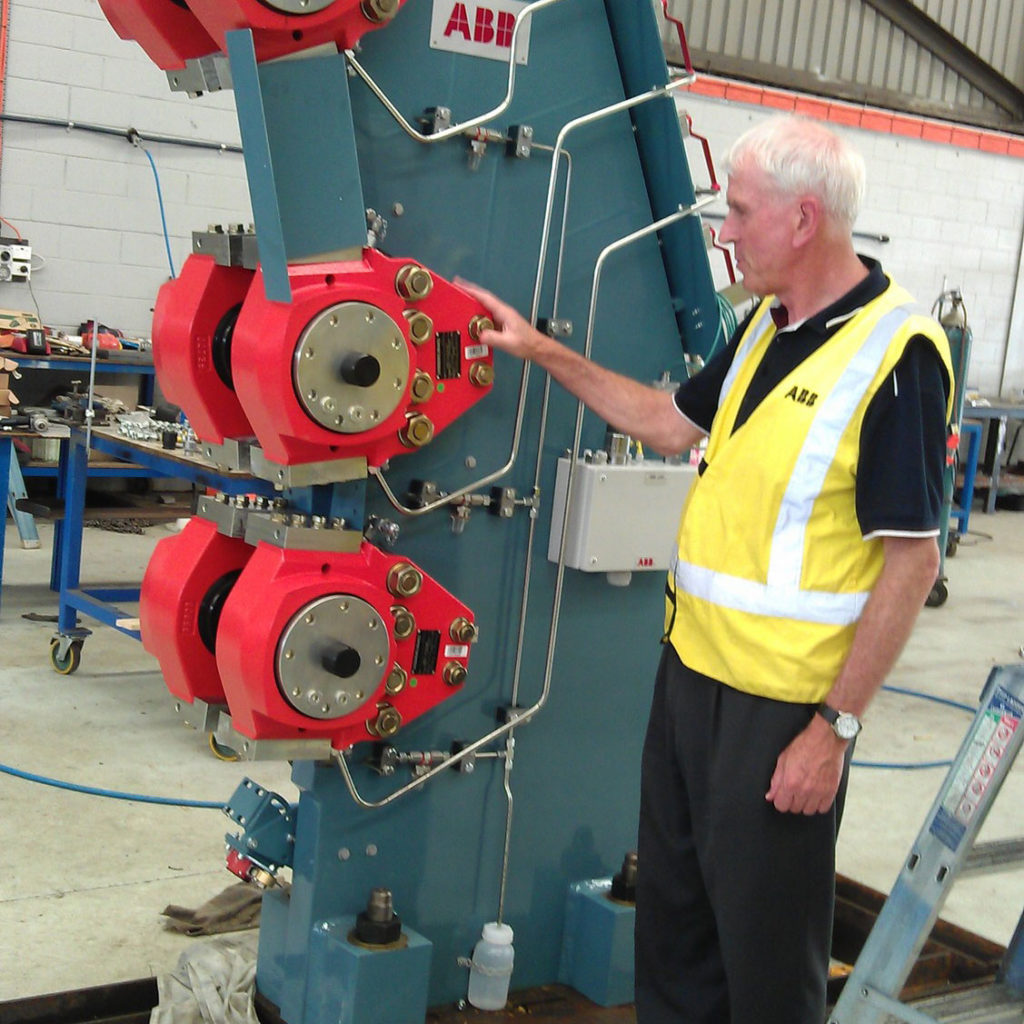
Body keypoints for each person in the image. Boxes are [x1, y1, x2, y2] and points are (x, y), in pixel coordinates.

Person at [459, 113, 953, 1023]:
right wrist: (539, 349)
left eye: (740, 213)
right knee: (678, 942)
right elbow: (665, 422)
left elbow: (913, 564)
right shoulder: (767, 327)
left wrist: (832, 733)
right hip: (692, 683)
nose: (724, 234)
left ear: (804, 221)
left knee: (764, 966)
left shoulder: (896, 355)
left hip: (782, 713)